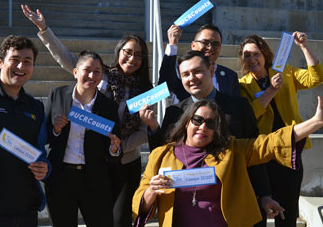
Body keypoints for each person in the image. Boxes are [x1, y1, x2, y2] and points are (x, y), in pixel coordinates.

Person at [21, 5, 153, 227]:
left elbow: (144, 131)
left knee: (117, 220)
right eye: (128, 52)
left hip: (121, 161)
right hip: (86, 164)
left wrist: (116, 146)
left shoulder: (146, 90)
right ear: (118, 52)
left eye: (138, 55)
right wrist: (44, 29)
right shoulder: (101, 77)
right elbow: (67, 58)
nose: (132, 59)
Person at [133, 96, 323, 226]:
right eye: (197, 120)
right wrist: (152, 190)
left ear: (218, 129)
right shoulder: (161, 155)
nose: (203, 127)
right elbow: (139, 204)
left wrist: (315, 122)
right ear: (186, 122)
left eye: (211, 123)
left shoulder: (232, 151)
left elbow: (271, 143)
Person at [142, 50, 284, 223]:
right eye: (185, 74)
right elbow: (163, 155)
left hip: (232, 201)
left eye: (197, 71)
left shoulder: (239, 107)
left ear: (211, 70)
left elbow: (254, 152)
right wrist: (153, 128)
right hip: (188, 207)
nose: (192, 78)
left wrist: (264, 195)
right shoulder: (175, 112)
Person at [238, 33, 323, 226]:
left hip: (290, 148)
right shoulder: (242, 85)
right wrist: (271, 90)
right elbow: (250, 115)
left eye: (255, 54)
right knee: (260, 208)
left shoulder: (284, 72)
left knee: (288, 208)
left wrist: (303, 47)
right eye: (247, 56)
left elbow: (316, 77)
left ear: (264, 55)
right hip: (263, 151)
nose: (252, 59)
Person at [44, 51, 122, 227]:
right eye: (87, 70)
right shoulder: (57, 95)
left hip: (94, 179)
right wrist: (55, 130)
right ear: (75, 72)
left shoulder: (108, 106)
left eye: (97, 71)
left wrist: (114, 148)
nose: (92, 76)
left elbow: (116, 149)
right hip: (61, 177)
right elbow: (42, 134)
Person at [0, 35, 51, 226]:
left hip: (26, 208)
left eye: (27, 62)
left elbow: (40, 153)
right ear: (0, 62)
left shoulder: (35, 106)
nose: (21, 67)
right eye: (15, 60)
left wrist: (45, 167)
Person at [158, 24, 240, 103]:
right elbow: (165, 86)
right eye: (205, 42)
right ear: (193, 45)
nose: (210, 47)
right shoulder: (179, 70)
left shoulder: (230, 76)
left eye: (215, 44)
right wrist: (173, 44)